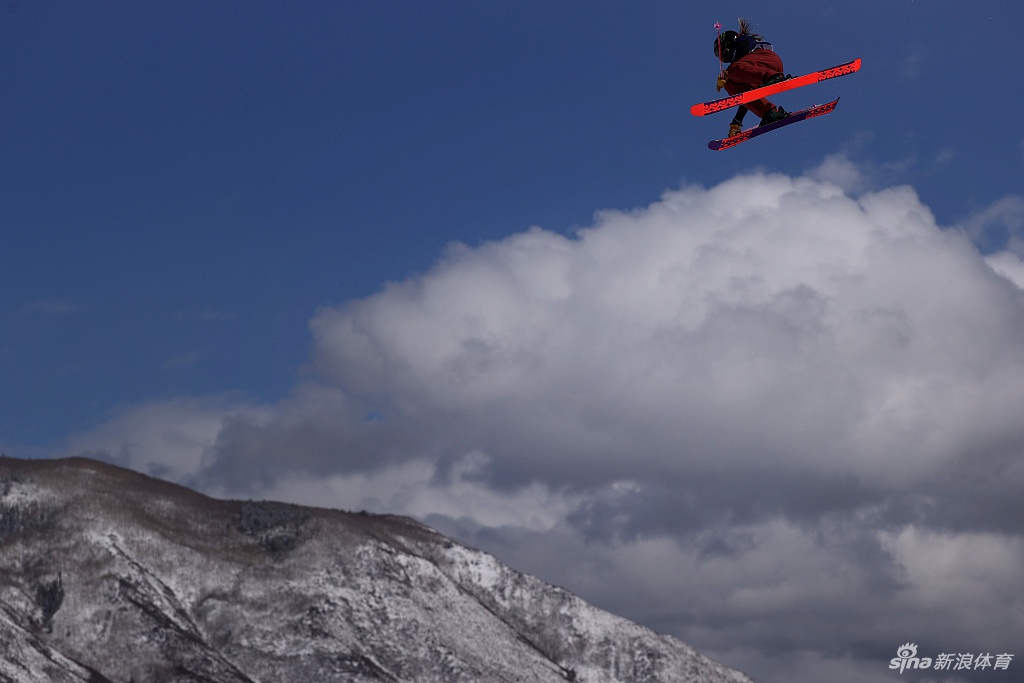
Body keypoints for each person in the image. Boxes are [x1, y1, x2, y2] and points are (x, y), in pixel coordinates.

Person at [714, 18, 790, 137]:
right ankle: (770, 113)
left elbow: (742, 49)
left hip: (767, 60)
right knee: (730, 84)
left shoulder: (742, 41)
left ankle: (774, 78)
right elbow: (746, 96)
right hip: (759, 71)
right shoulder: (742, 68)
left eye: (722, 53)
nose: (723, 58)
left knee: (733, 71)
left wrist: (727, 72)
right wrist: (736, 122)